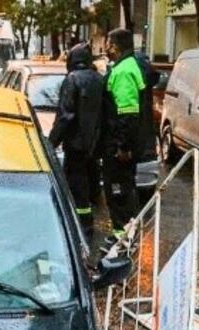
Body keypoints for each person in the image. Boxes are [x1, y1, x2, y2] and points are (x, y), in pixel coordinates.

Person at [48, 43, 102, 233]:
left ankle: (80, 224)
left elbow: (65, 116)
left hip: (75, 145)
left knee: (76, 186)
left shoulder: (72, 80)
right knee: (90, 184)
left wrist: (51, 143)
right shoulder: (99, 79)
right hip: (95, 145)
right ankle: (88, 221)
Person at [100, 28, 145, 236]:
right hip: (120, 141)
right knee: (123, 188)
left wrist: (122, 146)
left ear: (116, 46)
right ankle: (126, 233)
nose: (106, 48)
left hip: (118, 145)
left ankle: (122, 236)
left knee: (118, 190)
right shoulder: (125, 66)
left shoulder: (123, 72)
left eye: (108, 44)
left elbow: (127, 114)